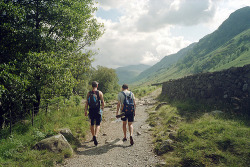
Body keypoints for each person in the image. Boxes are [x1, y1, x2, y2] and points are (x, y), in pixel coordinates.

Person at [85, 81, 105, 146]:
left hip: (91, 110)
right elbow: (102, 102)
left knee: (92, 123)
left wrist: (85, 111)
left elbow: (86, 103)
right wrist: (102, 108)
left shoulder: (89, 93)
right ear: (97, 86)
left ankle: (93, 136)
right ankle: (95, 135)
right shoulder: (100, 93)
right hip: (97, 110)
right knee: (98, 124)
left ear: (92, 86)